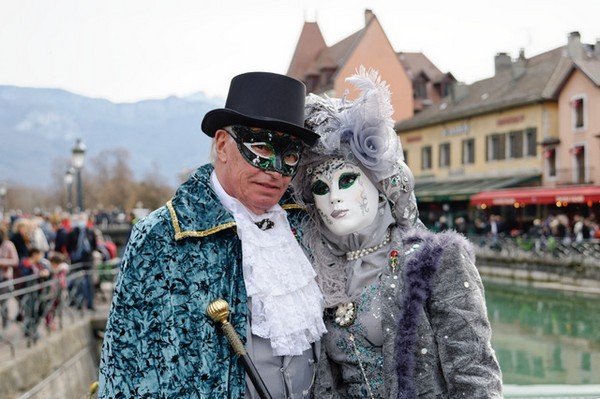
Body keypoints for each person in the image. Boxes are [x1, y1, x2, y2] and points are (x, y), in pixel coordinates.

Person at [98, 72, 327, 398]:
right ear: (222, 145)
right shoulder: (162, 236)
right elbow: (125, 367)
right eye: (261, 147)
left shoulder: (306, 226)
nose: (276, 170)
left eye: (290, 155)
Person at [292, 67, 502, 398]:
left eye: (347, 181)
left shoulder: (435, 260)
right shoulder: (317, 273)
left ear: (380, 188)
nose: (334, 197)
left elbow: (474, 375)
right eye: (320, 187)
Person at [0, 225, 19, 328]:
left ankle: (5, 323)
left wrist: (2, 262)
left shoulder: (8, 245)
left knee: (3, 302)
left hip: (4, 277)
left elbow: (15, 261)